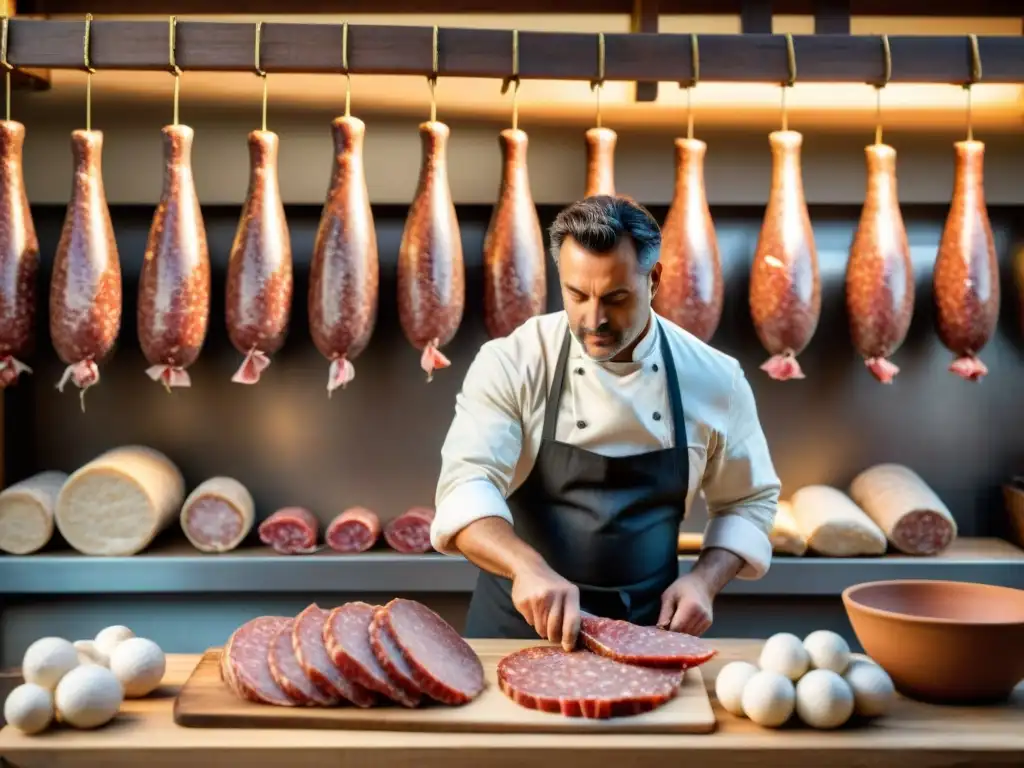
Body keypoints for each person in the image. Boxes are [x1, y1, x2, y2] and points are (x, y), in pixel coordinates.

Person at [430, 195, 780, 650]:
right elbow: (466, 485)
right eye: (577, 295)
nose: (594, 319)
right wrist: (525, 568)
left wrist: (704, 582)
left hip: (651, 633)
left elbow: (748, 500)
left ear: (653, 279)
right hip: (518, 630)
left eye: (616, 298)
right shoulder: (513, 361)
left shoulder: (714, 377)